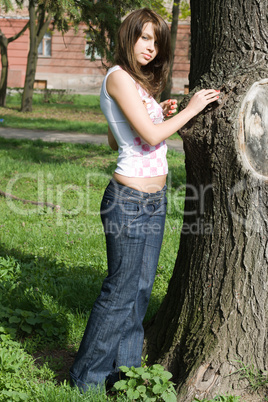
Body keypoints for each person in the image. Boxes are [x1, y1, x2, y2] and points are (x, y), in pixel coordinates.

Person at [70, 7, 220, 393]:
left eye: (156, 40)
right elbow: (152, 138)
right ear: (128, 36)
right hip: (130, 200)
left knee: (139, 292)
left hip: (152, 201)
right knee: (120, 291)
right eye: (144, 37)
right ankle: (85, 380)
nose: (151, 47)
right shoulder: (118, 76)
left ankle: (124, 375)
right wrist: (189, 109)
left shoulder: (135, 84)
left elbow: (114, 136)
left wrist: (158, 110)